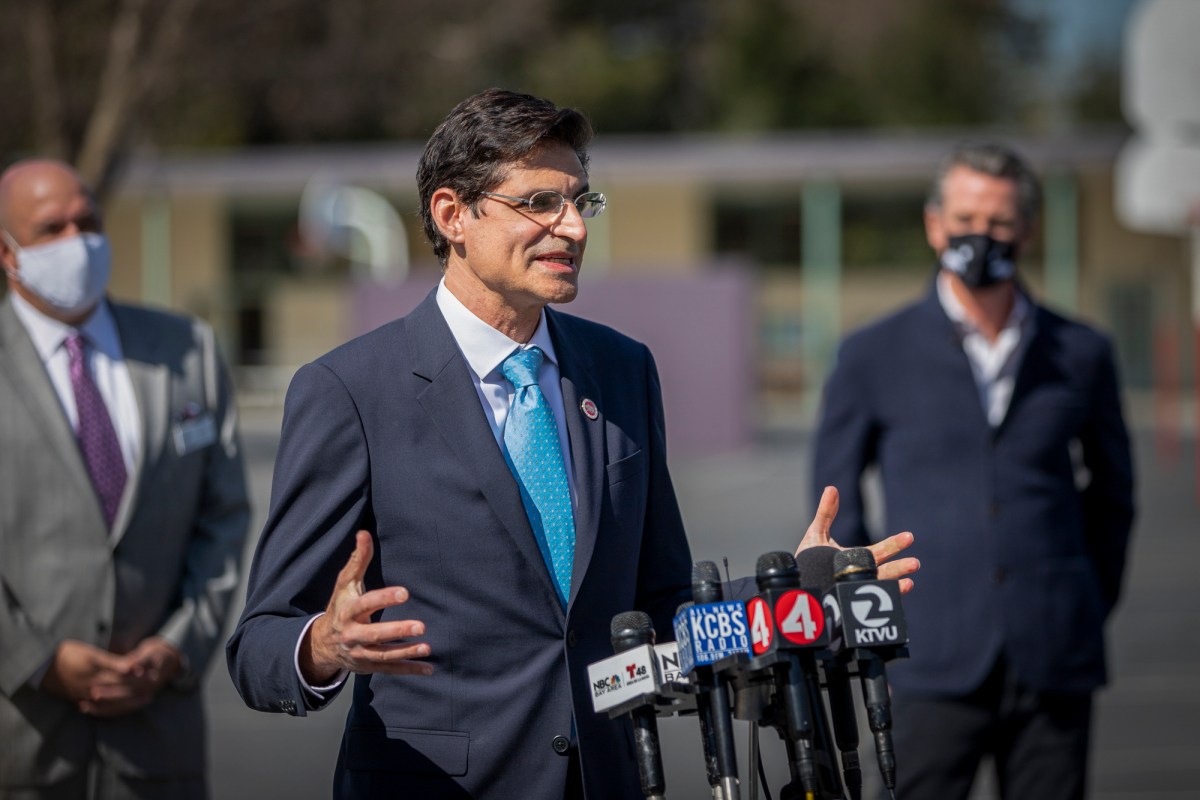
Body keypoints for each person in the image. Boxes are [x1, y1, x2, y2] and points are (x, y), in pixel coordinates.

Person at [227, 88, 917, 799]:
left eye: (580, 203)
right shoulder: (349, 389)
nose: (573, 228)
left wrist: (789, 593)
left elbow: (659, 608)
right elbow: (258, 649)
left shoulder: (621, 371)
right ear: (452, 214)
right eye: (538, 204)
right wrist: (323, 646)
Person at [812, 141, 1135, 800]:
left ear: (1028, 229)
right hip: (924, 658)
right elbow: (837, 503)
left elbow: (1114, 497)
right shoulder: (872, 353)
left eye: (998, 222)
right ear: (935, 226)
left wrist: (1084, 603)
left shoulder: (1082, 351)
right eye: (964, 221)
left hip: (1054, 657)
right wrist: (875, 613)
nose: (979, 236)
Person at [0, 159, 251, 799]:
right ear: (8, 253)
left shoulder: (185, 349)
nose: (75, 242)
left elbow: (222, 518)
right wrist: (36, 660)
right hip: (21, 740)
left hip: (157, 740)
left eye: (88, 223)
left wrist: (176, 646)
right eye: (50, 228)